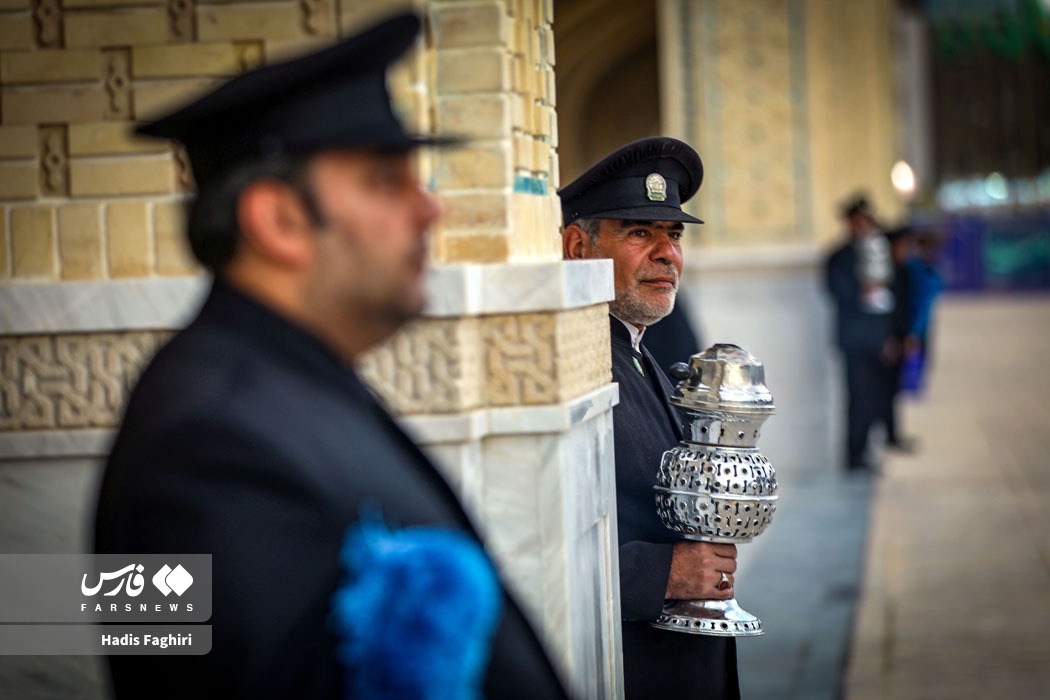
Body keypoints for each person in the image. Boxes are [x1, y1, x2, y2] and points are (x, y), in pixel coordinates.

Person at [93, 12, 568, 700]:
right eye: (385, 180)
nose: (429, 208)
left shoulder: (281, 378)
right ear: (278, 220)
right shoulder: (207, 439)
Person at [560, 137, 740, 699]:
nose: (668, 253)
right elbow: (531, 543)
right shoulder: (570, 364)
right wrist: (664, 574)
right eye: (640, 233)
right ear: (576, 245)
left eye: (675, 234)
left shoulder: (636, 353)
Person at [824, 195, 896, 472]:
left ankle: (867, 450)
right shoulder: (839, 255)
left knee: (875, 397)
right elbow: (835, 292)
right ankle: (854, 455)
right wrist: (859, 292)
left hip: (876, 338)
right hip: (853, 339)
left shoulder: (878, 251)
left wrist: (888, 336)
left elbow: (888, 298)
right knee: (857, 399)